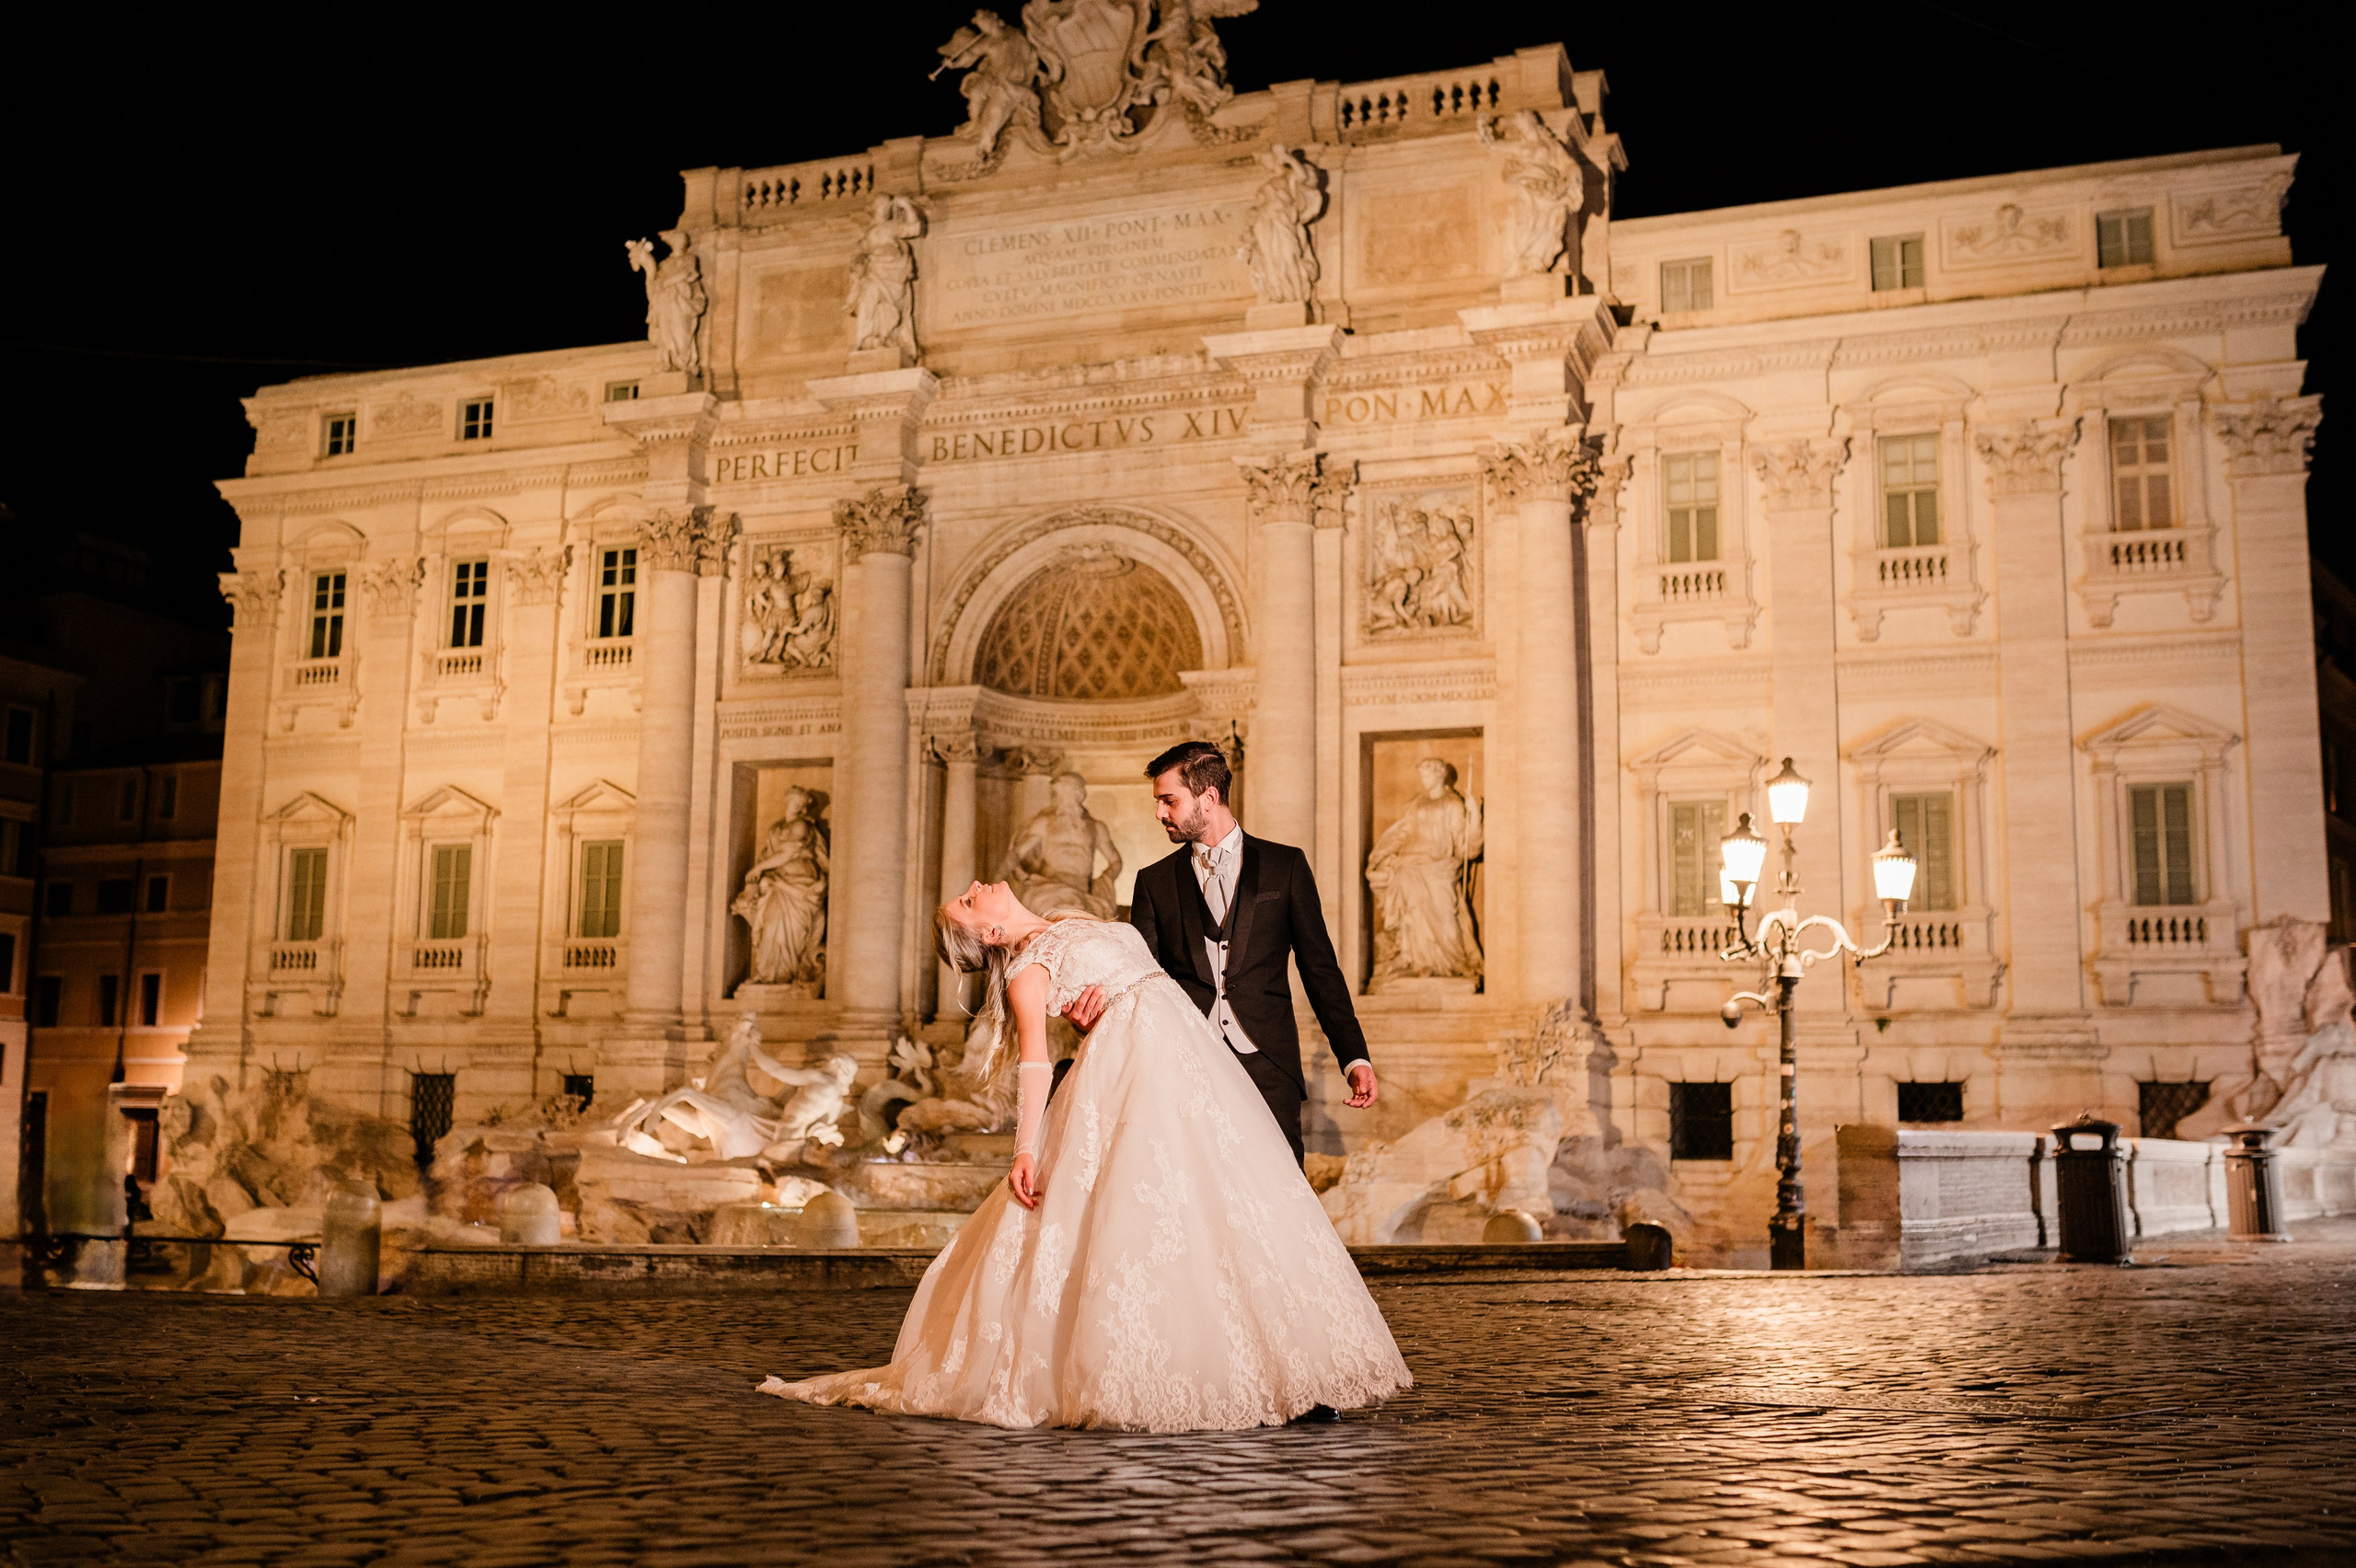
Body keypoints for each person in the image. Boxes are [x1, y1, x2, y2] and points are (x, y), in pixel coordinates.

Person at [756, 876, 1410, 1431]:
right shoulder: (1026, 971)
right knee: (1161, 1217)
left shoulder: (1068, 919)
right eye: (965, 901)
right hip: (1133, 1077)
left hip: (1192, 1069)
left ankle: (1290, 1367)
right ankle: (1192, 1371)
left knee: (1235, 1208)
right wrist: (1026, 1150)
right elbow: (1035, 1066)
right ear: (987, 936)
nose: (976, 887)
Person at [1074, 740, 1376, 1169]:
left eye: (1169, 801)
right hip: (1183, 1070)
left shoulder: (1284, 866)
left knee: (1279, 1199)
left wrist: (1354, 1056)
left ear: (1209, 798)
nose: (1160, 813)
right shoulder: (1154, 882)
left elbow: (1320, 970)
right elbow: (1138, 983)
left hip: (1268, 1069)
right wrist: (1094, 1024)